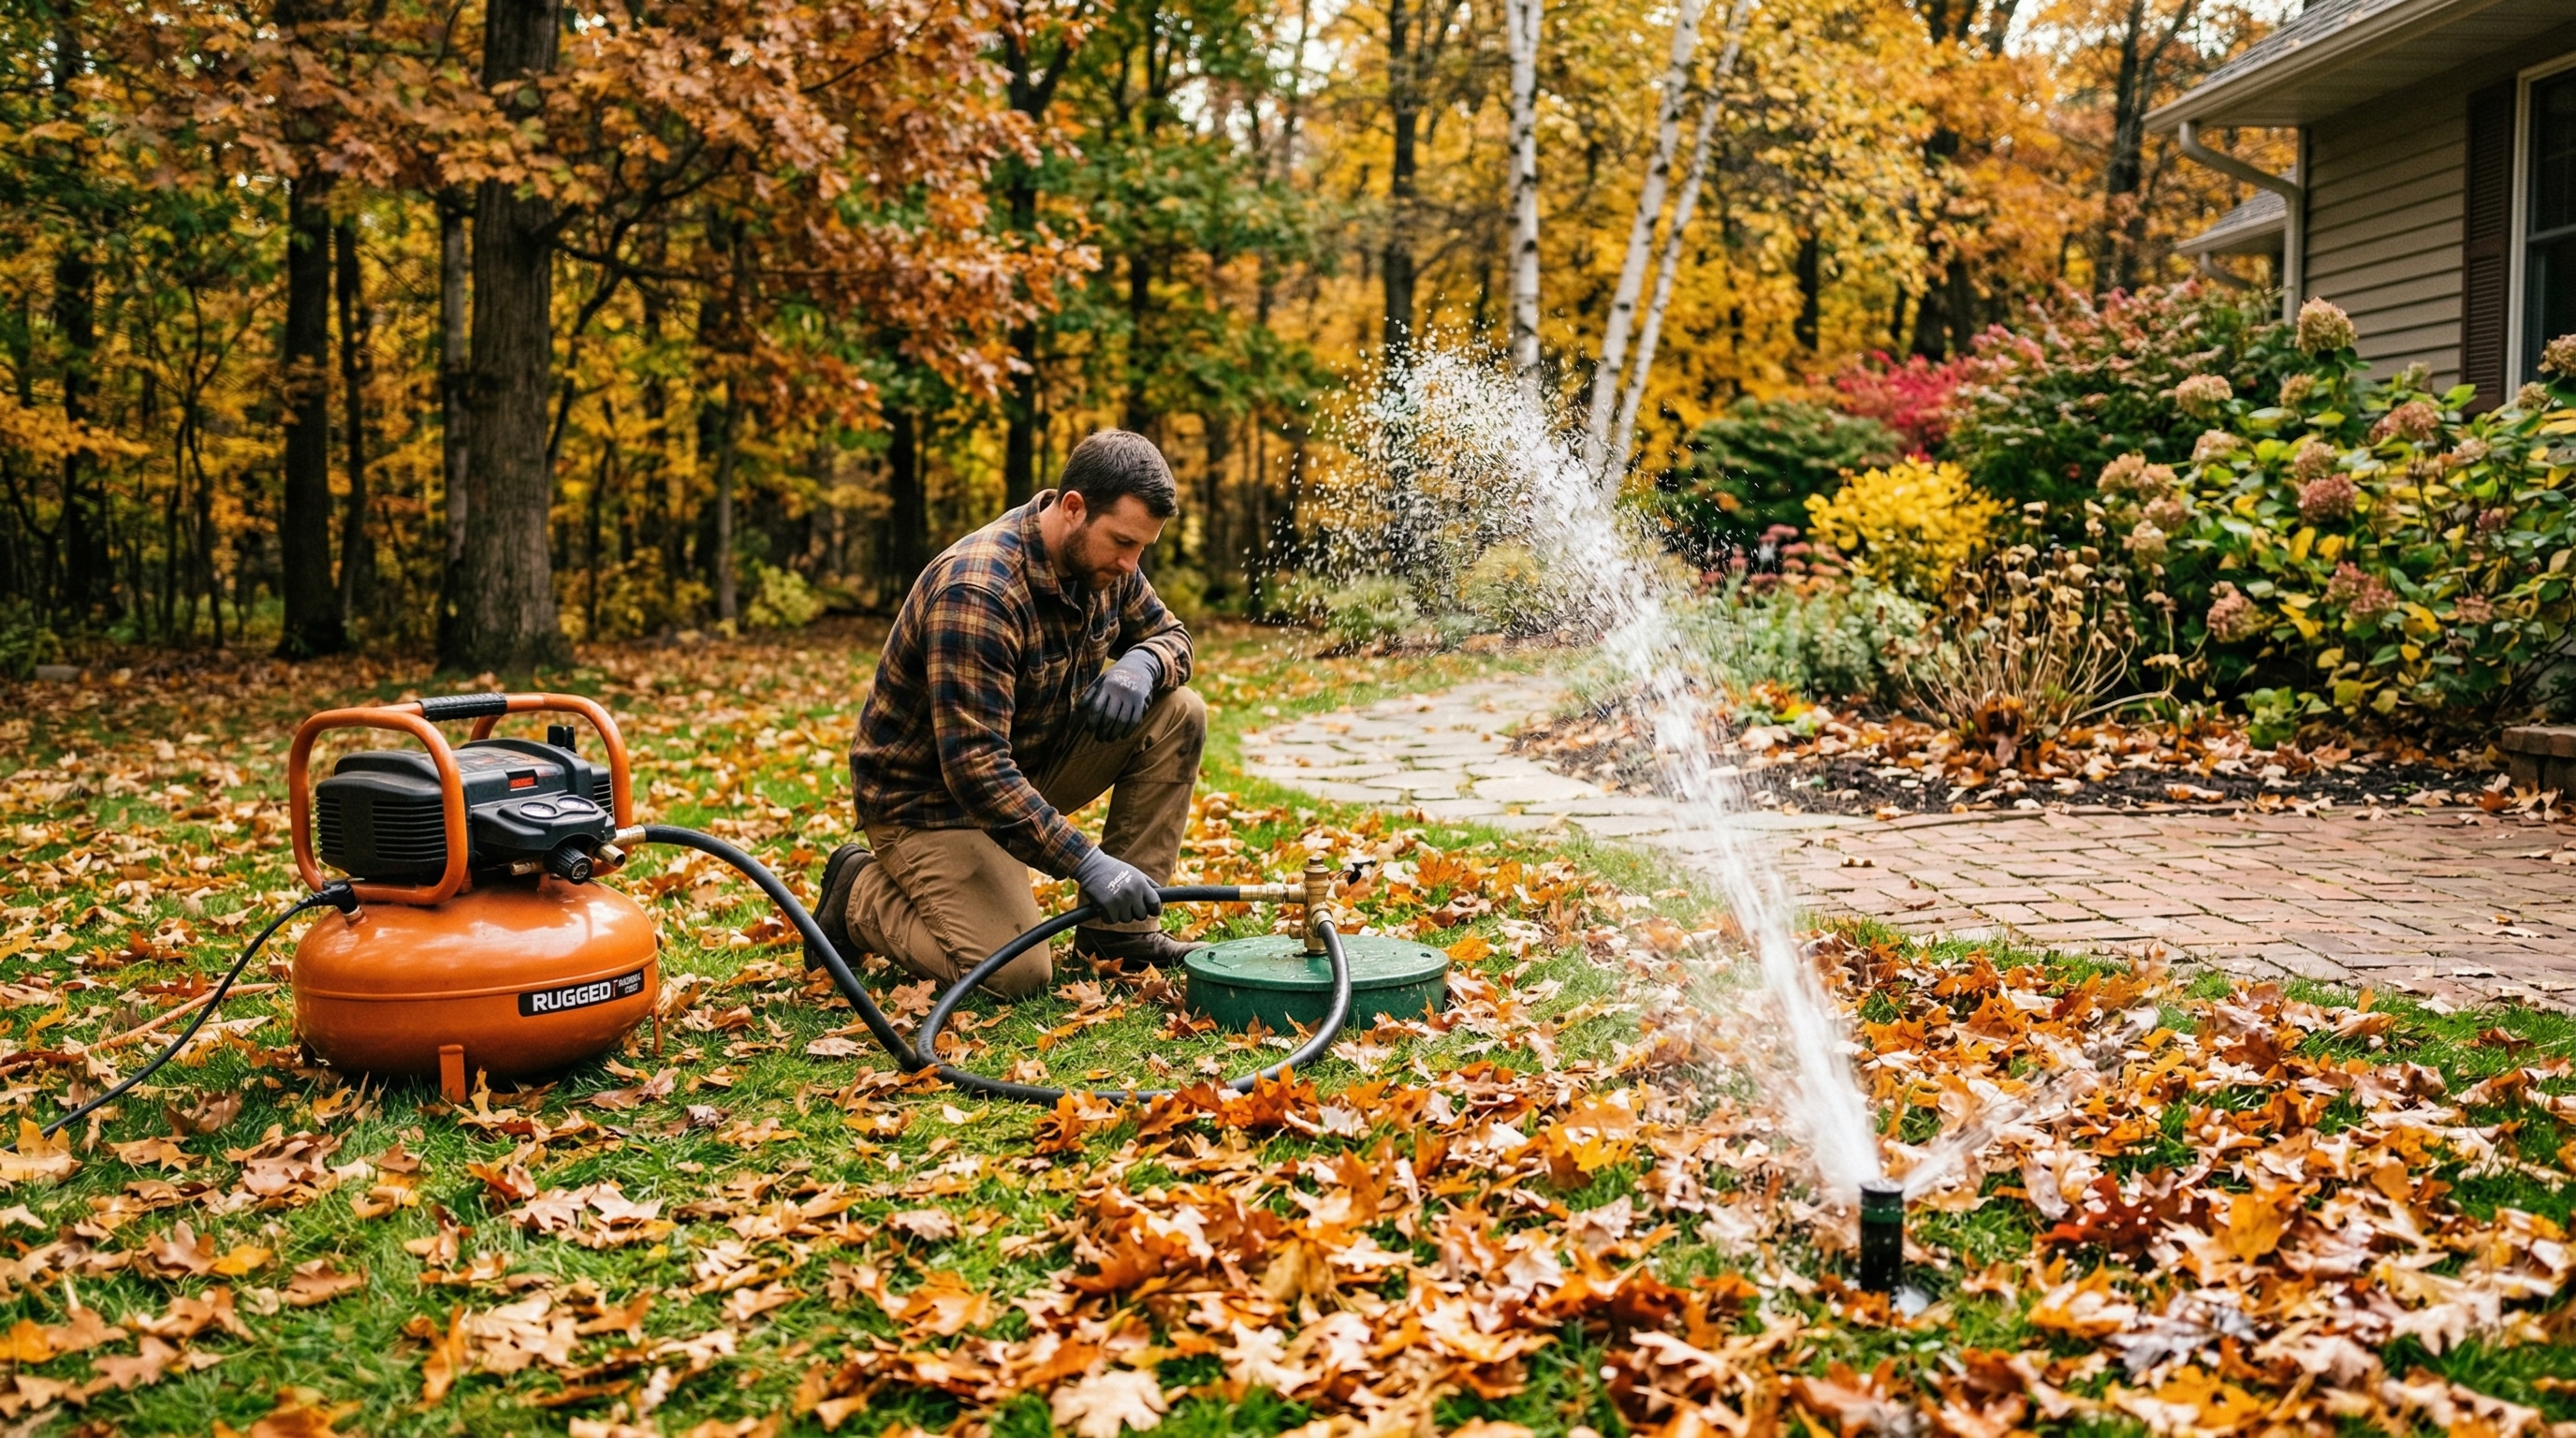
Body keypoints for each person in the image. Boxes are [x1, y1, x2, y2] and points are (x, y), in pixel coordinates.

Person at [812, 430, 1205, 998]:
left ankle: (1119, 935)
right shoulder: (979, 591)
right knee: (1015, 974)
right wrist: (1088, 863)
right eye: (1122, 542)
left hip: (1027, 767)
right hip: (930, 804)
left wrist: (1144, 662)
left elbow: (1173, 635)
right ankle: (857, 894)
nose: (1130, 563)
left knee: (1178, 712)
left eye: (1142, 547)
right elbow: (975, 770)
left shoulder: (1105, 565)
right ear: (1073, 508)